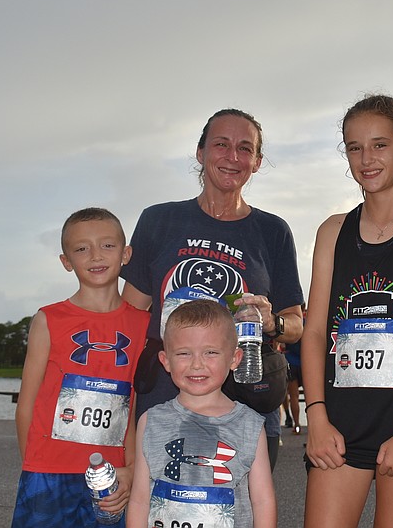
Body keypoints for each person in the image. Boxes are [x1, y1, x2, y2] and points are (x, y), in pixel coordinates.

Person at [121, 108, 304, 471]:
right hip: (162, 399)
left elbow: (296, 324)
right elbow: (129, 315)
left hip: (244, 403)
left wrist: (273, 324)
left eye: (244, 148)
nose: (232, 157)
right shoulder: (158, 219)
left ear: (257, 161)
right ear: (200, 152)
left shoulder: (273, 231)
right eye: (221, 144)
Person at [301, 94, 393, 527]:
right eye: (354, 147)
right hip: (339, 427)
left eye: (380, 144)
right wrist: (316, 416)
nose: (366, 158)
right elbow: (314, 333)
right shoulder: (333, 232)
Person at [12, 208, 149, 526]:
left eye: (107, 245)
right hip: (47, 471)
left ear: (125, 253)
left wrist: (131, 467)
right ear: (66, 261)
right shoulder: (48, 319)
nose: (96, 255)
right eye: (82, 248)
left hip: (112, 475)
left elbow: (135, 406)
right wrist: (33, 465)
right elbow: (27, 404)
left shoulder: (143, 326)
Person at [127, 300, 275, 528]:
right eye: (184, 353)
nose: (197, 364)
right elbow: (139, 500)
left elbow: (263, 501)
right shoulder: (151, 421)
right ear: (166, 361)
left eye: (211, 352)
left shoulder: (250, 426)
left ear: (235, 358)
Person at [282, 304, 306, 434]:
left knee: (294, 396)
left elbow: (279, 342)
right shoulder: (307, 324)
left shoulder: (288, 324)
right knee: (310, 398)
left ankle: (297, 426)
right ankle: (313, 428)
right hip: (306, 364)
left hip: (291, 362)